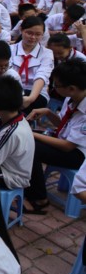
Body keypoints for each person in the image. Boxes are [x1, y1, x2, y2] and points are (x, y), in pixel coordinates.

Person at [24, 59, 86, 214]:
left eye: (56, 85)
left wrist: (31, 135)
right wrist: (47, 112)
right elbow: (64, 124)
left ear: (71, 88)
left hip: (79, 155)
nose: (53, 88)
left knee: (30, 147)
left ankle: (39, 198)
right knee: (27, 139)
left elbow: (68, 146)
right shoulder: (73, 97)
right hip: (67, 142)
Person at [10, 16, 54, 115]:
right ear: (21, 30)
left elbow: (42, 76)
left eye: (38, 34)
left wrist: (30, 98)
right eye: (29, 33)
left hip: (35, 93)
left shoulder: (47, 53)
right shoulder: (9, 49)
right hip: (11, 89)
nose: (33, 37)